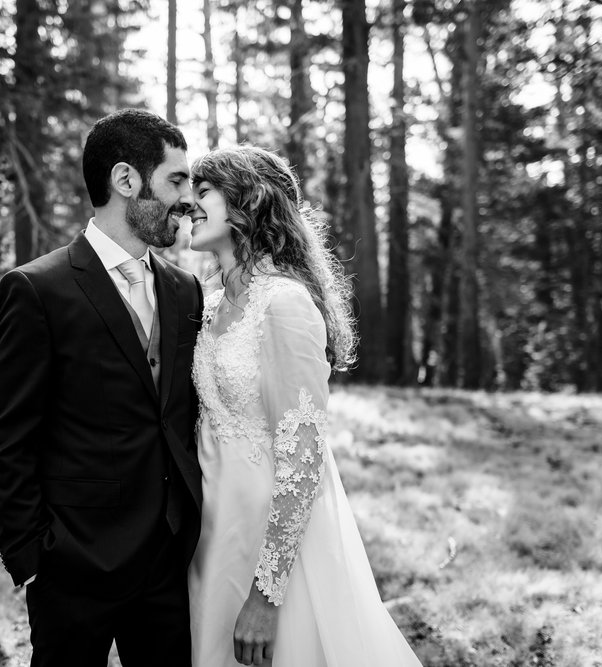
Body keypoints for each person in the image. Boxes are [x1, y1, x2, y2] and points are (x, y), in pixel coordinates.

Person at [0, 109, 204, 667]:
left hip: (170, 560)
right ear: (126, 180)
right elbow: (8, 437)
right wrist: (31, 555)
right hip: (74, 562)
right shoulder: (37, 288)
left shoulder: (185, 291)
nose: (188, 199)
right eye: (175, 180)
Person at [186, 146, 422, 666]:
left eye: (203, 192)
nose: (190, 204)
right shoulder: (202, 299)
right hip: (208, 527)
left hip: (267, 535)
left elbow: (303, 456)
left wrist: (267, 595)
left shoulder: (285, 303)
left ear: (248, 200)